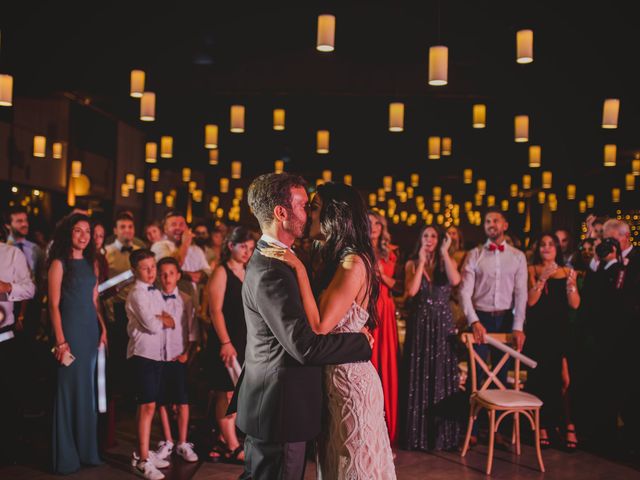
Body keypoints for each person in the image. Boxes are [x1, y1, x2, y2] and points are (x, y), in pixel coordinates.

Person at [234, 174, 374, 480]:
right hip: (281, 405)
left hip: (280, 402)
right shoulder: (273, 268)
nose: (310, 213)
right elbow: (306, 346)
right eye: (303, 205)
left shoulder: (283, 259)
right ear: (281, 213)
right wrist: (361, 344)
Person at [262, 181, 396, 479]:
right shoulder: (333, 259)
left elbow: (320, 325)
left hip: (350, 384)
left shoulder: (352, 263)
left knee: (355, 468)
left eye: (315, 207)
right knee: (335, 466)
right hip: (333, 380)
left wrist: (297, 269)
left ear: (337, 215)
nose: (308, 214)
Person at [459, 207, 528, 446]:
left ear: (505, 225)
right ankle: (473, 430)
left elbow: (521, 294)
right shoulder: (474, 254)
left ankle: (496, 429)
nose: (491, 224)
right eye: (488, 221)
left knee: (500, 377)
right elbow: (464, 293)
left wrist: (518, 326)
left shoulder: (518, 256)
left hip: (506, 320)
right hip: (481, 319)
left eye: (496, 220)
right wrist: (474, 321)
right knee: (476, 376)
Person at [48, 213, 107, 474]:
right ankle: (67, 457)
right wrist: (61, 341)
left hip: (90, 331)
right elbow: (53, 304)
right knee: (67, 392)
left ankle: (87, 452)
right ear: (68, 233)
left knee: (87, 393)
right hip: (69, 332)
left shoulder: (92, 262)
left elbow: (94, 301)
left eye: (87, 231)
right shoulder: (59, 264)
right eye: (77, 231)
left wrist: (103, 329)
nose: (83, 236)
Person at [401, 226, 462, 452]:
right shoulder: (412, 264)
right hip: (420, 324)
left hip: (443, 324)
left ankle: (443, 437)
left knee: (441, 375)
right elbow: (412, 291)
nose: (429, 239)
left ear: (440, 240)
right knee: (420, 374)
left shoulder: (447, 262)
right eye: (425, 235)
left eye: (433, 236)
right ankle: (419, 437)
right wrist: (420, 262)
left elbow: (455, 281)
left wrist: (445, 253)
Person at [524, 233, 580, 451]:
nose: (547, 248)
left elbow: (574, 304)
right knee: (539, 380)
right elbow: (530, 301)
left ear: (557, 249)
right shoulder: (532, 269)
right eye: (543, 244)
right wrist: (542, 278)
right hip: (539, 332)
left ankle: (568, 425)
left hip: (560, 331)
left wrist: (572, 285)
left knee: (564, 380)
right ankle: (541, 427)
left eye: (551, 245)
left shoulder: (567, 271)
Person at [206, 226, 255, 463]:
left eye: (250, 247)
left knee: (237, 392)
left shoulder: (248, 271)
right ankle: (233, 444)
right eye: (243, 246)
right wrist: (225, 342)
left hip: (245, 339)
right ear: (230, 246)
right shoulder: (221, 272)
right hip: (227, 339)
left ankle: (225, 439)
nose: (247, 251)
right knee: (227, 393)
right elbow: (215, 310)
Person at [125, 249, 174, 480]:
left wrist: (161, 319)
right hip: (142, 354)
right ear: (135, 270)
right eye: (145, 268)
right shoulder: (137, 293)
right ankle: (143, 460)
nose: (151, 271)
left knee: (149, 406)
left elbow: (166, 317)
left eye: (153, 266)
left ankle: (143, 452)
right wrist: (161, 319)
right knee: (146, 407)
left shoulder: (153, 292)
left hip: (156, 354)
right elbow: (154, 325)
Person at [153, 257, 199, 464]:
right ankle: (168, 440)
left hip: (178, 355)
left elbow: (192, 330)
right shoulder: (152, 299)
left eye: (171, 273)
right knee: (161, 399)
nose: (167, 277)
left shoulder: (186, 300)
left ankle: (182, 441)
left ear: (178, 275)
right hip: (158, 357)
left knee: (181, 400)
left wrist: (187, 353)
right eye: (163, 273)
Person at [0, 225, 35, 466]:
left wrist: (8, 287)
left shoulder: (12, 254)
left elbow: (31, 289)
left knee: (6, 398)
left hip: (3, 338)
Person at [368, 208, 399, 443]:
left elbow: (395, 284)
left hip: (385, 308)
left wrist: (378, 272)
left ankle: (387, 428)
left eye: (377, 223)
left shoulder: (389, 252)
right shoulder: (358, 249)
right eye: (369, 223)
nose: (373, 227)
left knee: (384, 364)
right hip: (368, 304)